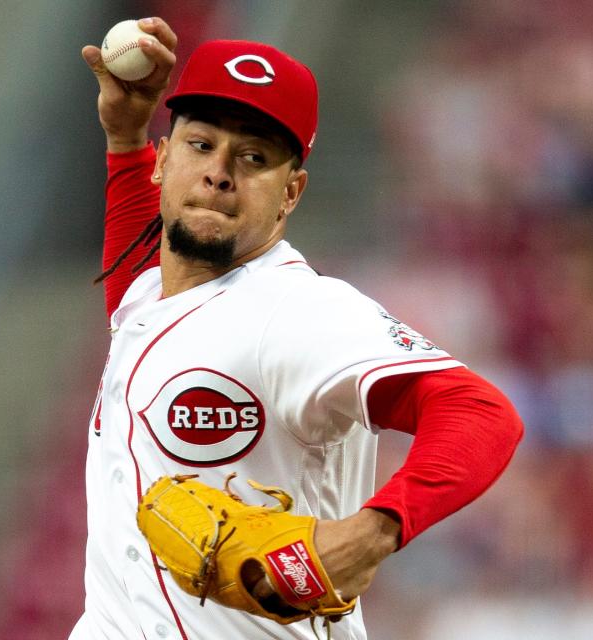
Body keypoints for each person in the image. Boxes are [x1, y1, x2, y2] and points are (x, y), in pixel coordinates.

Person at [70, 17, 523, 640]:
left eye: (253, 157)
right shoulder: (153, 293)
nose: (220, 171)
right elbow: (146, 305)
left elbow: (482, 413)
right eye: (202, 145)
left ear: (291, 193)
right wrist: (125, 141)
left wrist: (375, 531)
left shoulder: (298, 310)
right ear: (165, 159)